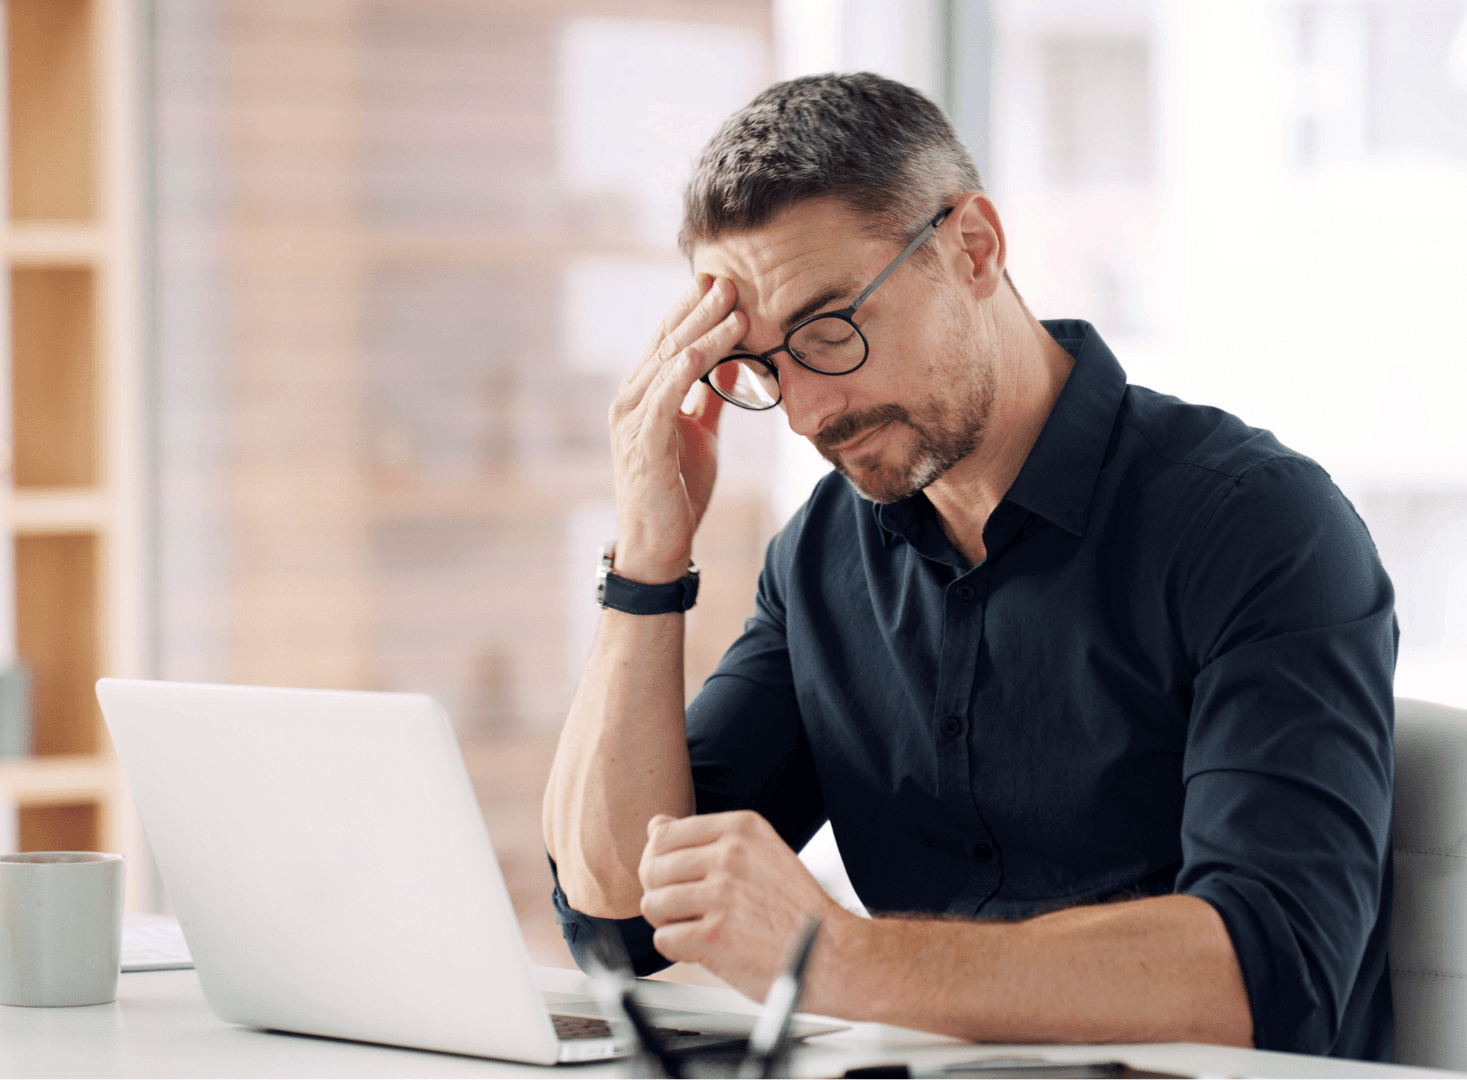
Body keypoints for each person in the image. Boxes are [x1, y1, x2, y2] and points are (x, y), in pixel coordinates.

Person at [540, 73, 1397, 1061]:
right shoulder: (823, 555)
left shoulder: (1256, 525)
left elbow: (1271, 971)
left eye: (829, 330)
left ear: (975, 248)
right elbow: (618, 916)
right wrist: (649, 553)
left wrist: (841, 961)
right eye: (766, 369)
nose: (811, 414)